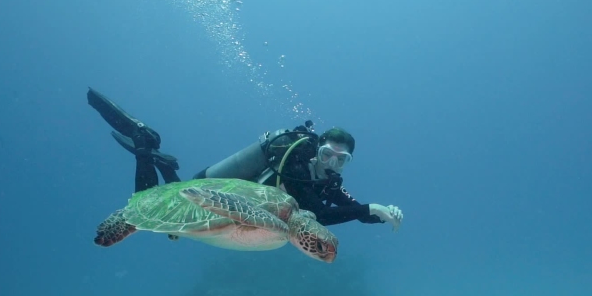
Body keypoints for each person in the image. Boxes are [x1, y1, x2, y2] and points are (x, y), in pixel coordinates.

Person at [87, 87, 404, 230]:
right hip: (221, 188)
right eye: (326, 155)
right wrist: (368, 209)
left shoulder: (327, 178)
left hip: (231, 199)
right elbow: (320, 214)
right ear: (317, 148)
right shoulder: (295, 164)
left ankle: (164, 163)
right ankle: (143, 143)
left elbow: (350, 209)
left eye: (341, 160)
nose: (331, 164)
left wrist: (382, 213)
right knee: (149, 204)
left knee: (175, 205)